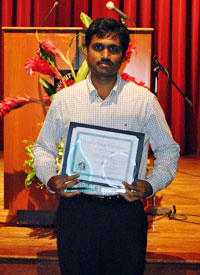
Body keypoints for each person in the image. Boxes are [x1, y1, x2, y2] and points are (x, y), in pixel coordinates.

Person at [33, 17, 180, 275]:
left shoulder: (143, 101)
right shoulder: (65, 100)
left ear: (123, 55)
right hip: (76, 211)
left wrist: (150, 185)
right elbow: (44, 147)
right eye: (98, 47)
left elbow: (168, 150)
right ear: (86, 51)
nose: (105, 55)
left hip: (125, 212)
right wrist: (50, 178)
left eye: (113, 49)